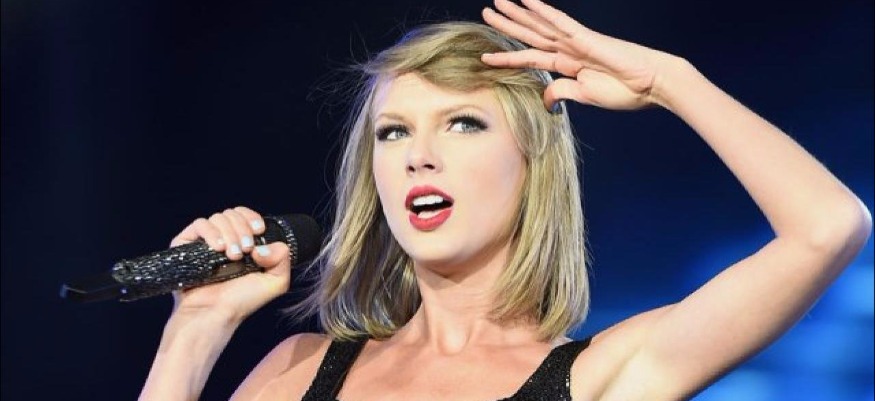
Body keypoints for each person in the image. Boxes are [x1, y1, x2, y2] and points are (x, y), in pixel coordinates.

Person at [138, 0, 872, 400]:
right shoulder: (299, 369)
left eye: (462, 123)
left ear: (530, 164)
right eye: (394, 132)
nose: (419, 154)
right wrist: (195, 330)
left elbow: (826, 227)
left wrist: (670, 82)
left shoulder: (602, 376)